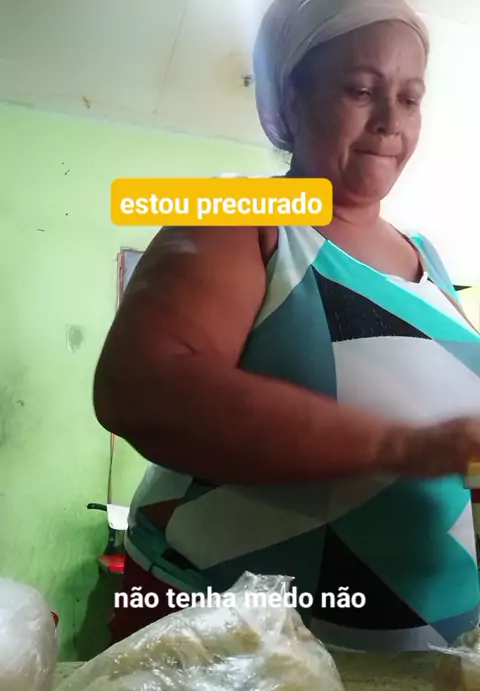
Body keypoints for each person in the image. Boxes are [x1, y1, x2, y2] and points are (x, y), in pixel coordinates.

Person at [94, 0, 480, 651]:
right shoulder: (242, 210)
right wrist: (402, 447)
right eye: (362, 90)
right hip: (237, 659)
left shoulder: (431, 260)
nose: (390, 122)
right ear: (291, 98)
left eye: (410, 98)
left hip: (426, 663)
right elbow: (140, 388)